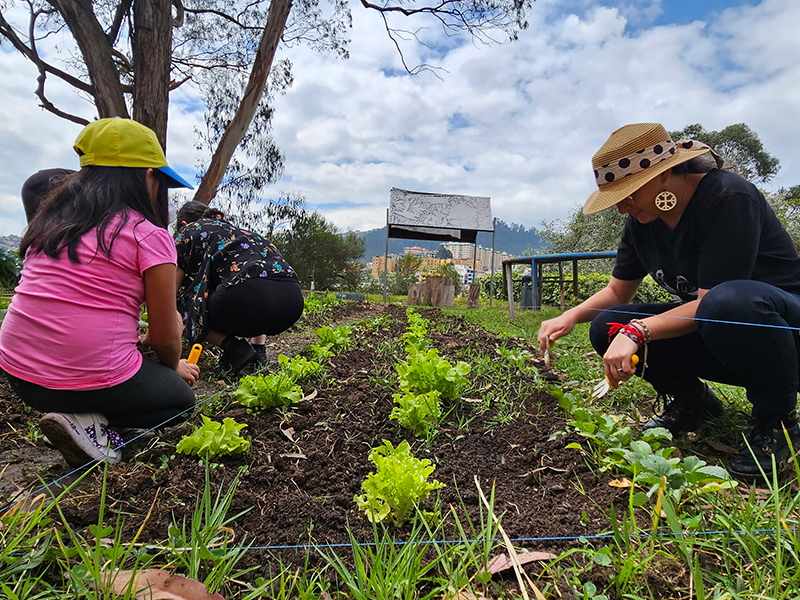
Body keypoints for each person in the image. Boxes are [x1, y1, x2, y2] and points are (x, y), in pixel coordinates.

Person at [537, 122, 800, 483]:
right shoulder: (641, 222)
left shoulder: (728, 197)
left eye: (628, 194)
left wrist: (639, 329)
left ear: (663, 175)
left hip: (780, 336)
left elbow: (713, 302)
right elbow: (618, 292)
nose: (622, 208)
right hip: (719, 328)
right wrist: (570, 316)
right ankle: (694, 403)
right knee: (606, 325)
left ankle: (777, 421)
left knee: (727, 302)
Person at [0, 117, 200, 468]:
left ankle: (76, 413)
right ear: (148, 176)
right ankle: (96, 431)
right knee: (179, 402)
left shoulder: (49, 222)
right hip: (90, 375)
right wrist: (173, 368)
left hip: (20, 373)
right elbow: (167, 337)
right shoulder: (147, 235)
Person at [174, 201, 304, 372]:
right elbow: (259, 278)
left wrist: (152, 335)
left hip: (249, 296)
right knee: (250, 280)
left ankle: (234, 348)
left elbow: (167, 294)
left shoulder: (190, 231)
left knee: (182, 300)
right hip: (292, 305)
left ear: (183, 224)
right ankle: (258, 351)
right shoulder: (242, 233)